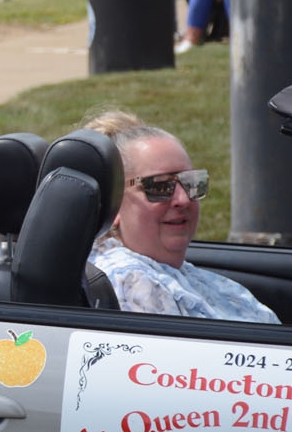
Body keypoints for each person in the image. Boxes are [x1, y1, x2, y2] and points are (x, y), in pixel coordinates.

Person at [82, 111, 279, 323]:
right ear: (113, 204)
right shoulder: (133, 281)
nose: (183, 199)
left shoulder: (171, 272)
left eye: (190, 183)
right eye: (159, 187)